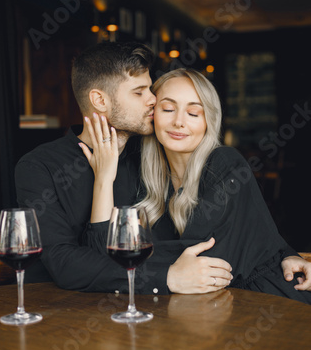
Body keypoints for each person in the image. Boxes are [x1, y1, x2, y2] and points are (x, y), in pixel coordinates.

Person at [15, 42, 232, 294]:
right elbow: (64, 263)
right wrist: (166, 277)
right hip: (63, 313)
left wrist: (280, 254)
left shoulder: (150, 155)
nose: (153, 99)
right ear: (99, 100)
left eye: (150, 89)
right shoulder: (39, 166)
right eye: (139, 92)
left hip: (151, 313)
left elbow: (180, 239)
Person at [80, 66, 311, 302]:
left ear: (208, 122)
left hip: (263, 299)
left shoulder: (226, 163)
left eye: (193, 113)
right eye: (168, 109)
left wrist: (123, 263)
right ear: (153, 115)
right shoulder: (139, 171)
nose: (179, 122)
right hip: (195, 307)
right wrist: (104, 178)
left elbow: (202, 260)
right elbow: (99, 251)